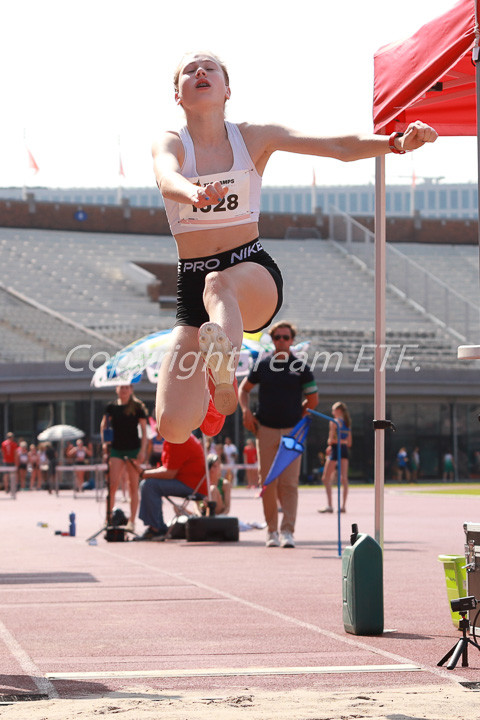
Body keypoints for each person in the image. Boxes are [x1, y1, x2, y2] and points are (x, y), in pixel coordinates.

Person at [151, 50, 438, 448]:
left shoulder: (254, 137)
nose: (200, 71)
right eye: (189, 70)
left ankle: (224, 366)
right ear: (178, 96)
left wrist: (396, 143)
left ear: (228, 90)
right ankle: (214, 390)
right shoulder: (171, 141)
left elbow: (338, 146)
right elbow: (167, 177)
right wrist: (194, 193)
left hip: (250, 270)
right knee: (172, 427)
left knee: (219, 284)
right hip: (192, 283)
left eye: (210, 68)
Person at [239, 321, 319, 548]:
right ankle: (271, 531)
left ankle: (287, 532)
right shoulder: (263, 365)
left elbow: (313, 400)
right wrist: (245, 412)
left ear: (292, 340)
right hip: (265, 430)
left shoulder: (301, 367)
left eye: (286, 337)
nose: (281, 341)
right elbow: (243, 390)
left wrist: (299, 418)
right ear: (272, 341)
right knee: (268, 481)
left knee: (289, 483)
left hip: (292, 433)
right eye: (277, 338)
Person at [136, 432, 207, 541]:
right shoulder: (180, 435)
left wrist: (144, 474)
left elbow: (169, 473)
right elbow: (168, 468)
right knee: (149, 483)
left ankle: (156, 529)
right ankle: (157, 526)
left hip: (193, 487)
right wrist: (146, 473)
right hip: (191, 483)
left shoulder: (178, 439)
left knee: (148, 485)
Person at [100, 385, 148, 532]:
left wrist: (142, 450)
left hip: (133, 449)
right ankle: (108, 519)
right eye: (121, 388)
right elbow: (103, 425)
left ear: (131, 390)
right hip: (116, 449)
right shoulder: (111, 407)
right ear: (117, 390)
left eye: (126, 388)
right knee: (113, 484)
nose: (124, 391)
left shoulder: (138, 407)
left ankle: (132, 521)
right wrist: (104, 444)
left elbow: (144, 431)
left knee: (133, 485)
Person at [318, 402, 352, 513]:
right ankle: (343, 506)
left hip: (336, 449)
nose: (332, 413)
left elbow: (331, 440)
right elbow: (349, 443)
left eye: (334, 410)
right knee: (344, 478)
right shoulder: (348, 423)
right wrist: (342, 441)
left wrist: (331, 444)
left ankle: (330, 505)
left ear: (339, 411)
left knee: (326, 478)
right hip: (344, 450)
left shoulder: (334, 422)